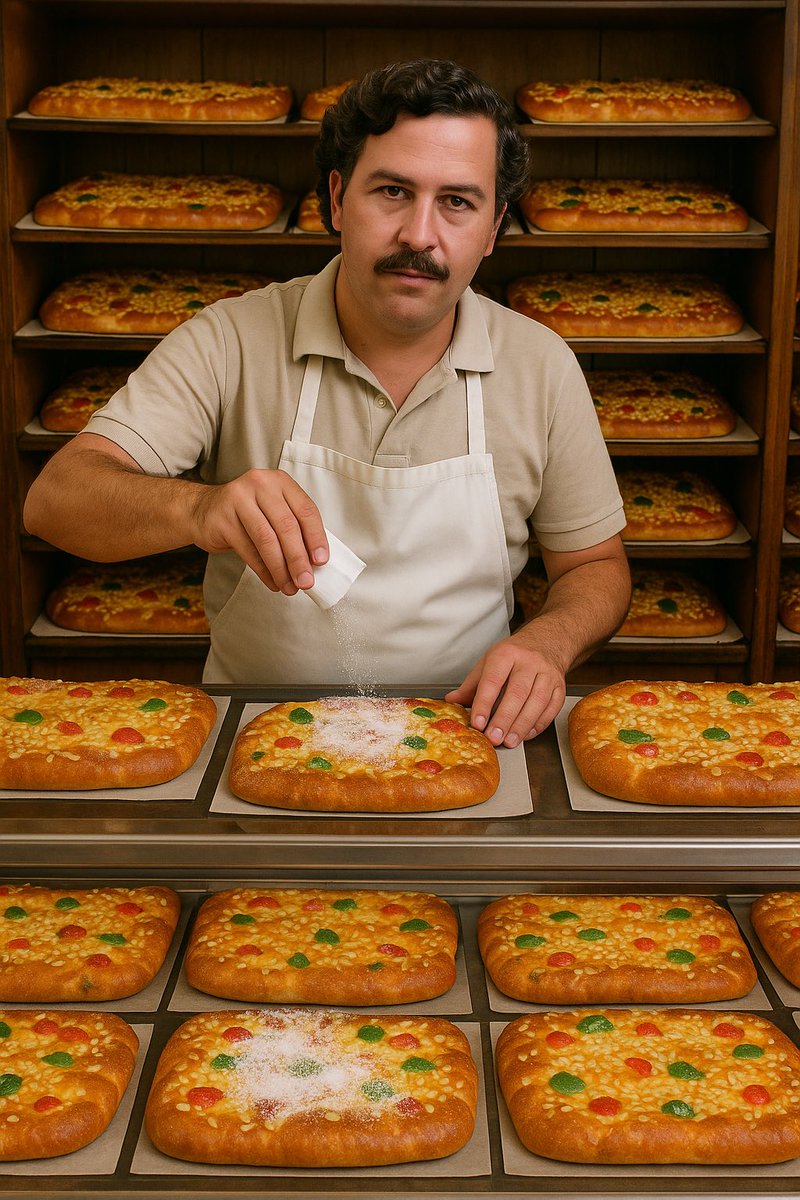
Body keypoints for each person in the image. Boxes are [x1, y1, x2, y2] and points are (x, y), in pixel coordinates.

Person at [24, 58, 630, 749]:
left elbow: (595, 567)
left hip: (470, 742)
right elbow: (57, 499)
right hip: (256, 738)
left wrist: (550, 643)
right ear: (338, 199)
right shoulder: (231, 339)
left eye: (458, 202)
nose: (419, 236)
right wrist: (199, 508)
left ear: (492, 229)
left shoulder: (540, 365)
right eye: (393, 191)